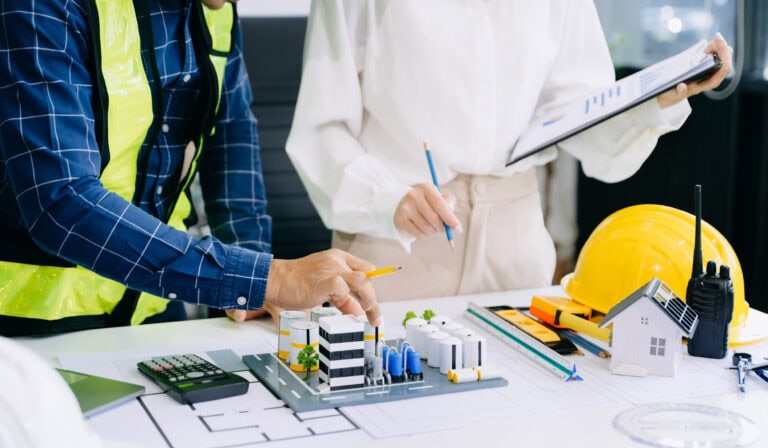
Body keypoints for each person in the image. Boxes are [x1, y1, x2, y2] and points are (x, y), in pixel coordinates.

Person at [286, 1, 733, 302]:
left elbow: (578, 117)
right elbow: (322, 126)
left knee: (518, 431)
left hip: (514, 241)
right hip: (395, 237)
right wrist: (386, 199)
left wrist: (655, 102)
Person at [0, 0, 380, 337]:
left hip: (154, 307)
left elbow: (231, 143)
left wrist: (252, 282)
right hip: (29, 322)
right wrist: (268, 278)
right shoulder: (41, 6)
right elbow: (60, 199)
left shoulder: (215, 9)